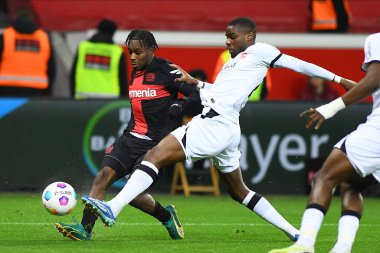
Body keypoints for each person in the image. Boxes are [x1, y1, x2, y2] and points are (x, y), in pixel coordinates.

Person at [81, 17, 355, 240]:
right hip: (226, 128)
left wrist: (338, 79)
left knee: (154, 156)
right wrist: (195, 82)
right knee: (239, 192)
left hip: (214, 124)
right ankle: (294, 232)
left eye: (232, 35)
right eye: (226, 36)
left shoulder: (259, 51)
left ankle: (113, 208)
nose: (227, 40)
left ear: (250, 36)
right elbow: (216, 93)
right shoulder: (230, 66)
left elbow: (297, 64)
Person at [55, 29, 199, 241]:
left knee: (133, 194)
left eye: (137, 52)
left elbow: (199, 96)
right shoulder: (136, 71)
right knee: (103, 176)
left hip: (157, 146)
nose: (132, 57)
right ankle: (85, 229)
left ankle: (166, 215)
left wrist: (181, 106)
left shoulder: (168, 71)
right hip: (131, 137)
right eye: (130, 51)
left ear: (151, 49)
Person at [269, 33, 380, 253]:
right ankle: (342, 248)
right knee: (352, 183)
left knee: (324, 177)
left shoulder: (376, 39)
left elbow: (375, 80)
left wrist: (329, 109)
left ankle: (305, 243)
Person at [0, 8, 55, 96]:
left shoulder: (5, 36)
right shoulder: (44, 38)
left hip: (7, 91)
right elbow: (51, 68)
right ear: (32, 20)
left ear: (14, 19)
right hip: (37, 91)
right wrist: (48, 92)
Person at [70, 19, 127, 99]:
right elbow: (123, 81)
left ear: (98, 30)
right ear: (113, 33)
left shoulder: (83, 47)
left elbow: (73, 74)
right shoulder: (117, 52)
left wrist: (73, 96)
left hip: (83, 99)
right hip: (108, 101)